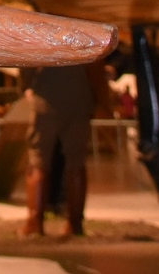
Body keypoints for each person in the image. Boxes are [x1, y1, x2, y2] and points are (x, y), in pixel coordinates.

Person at [21, 62, 108, 237]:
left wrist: (26, 87)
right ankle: (75, 223)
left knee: (38, 160)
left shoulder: (42, 33)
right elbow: (96, 69)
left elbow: (26, 63)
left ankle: (34, 222)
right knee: (76, 162)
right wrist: (101, 100)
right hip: (79, 99)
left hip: (45, 99)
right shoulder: (85, 33)